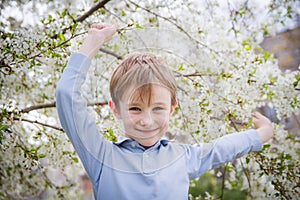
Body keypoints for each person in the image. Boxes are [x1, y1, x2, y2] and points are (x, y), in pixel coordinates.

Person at [56, 22, 274, 200]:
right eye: (135, 108)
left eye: (158, 108)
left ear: (172, 108)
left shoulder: (182, 157)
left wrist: (260, 134)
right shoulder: (101, 157)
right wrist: (92, 43)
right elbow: (66, 95)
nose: (147, 121)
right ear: (116, 110)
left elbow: (222, 148)